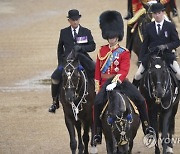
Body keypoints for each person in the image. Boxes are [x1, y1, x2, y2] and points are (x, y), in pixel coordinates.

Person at [93, 10, 155, 145]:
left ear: (118, 36)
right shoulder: (101, 51)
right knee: (97, 103)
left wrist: (116, 82)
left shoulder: (124, 52)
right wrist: (98, 87)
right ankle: (97, 132)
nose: (112, 39)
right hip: (105, 84)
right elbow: (97, 71)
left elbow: (124, 69)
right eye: (109, 37)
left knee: (140, 99)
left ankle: (147, 127)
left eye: (114, 37)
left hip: (120, 82)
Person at [48, 9, 96, 113]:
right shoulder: (64, 32)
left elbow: (92, 46)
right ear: (69, 20)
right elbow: (60, 48)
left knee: (95, 72)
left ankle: (96, 96)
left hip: (82, 60)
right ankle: (55, 101)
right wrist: (60, 63)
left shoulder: (86, 31)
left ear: (79, 19)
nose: (75, 22)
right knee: (55, 76)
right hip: (67, 62)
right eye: (73, 20)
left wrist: (82, 48)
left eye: (77, 19)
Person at [132, 2, 180, 88]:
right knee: (138, 75)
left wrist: (166, 46)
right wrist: (141, 59)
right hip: (151, 56)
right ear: (152, 14)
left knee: (179, 74)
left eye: (159, 13)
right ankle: (134, 96)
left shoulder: (170, 26)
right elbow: (144, 44)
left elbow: (176, 42)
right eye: (155, 13)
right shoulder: (148, 27)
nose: (157, 15)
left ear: (163, 13)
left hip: (167, 55)